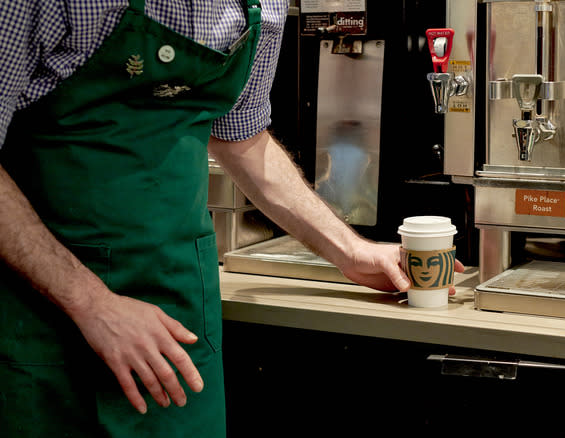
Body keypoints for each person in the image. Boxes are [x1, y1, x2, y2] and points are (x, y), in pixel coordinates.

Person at [0, 1, 464, 437]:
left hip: (177, 300)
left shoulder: (261, 5)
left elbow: (241, 137)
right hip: (42, 309)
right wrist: (91, 304)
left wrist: (352, 252)